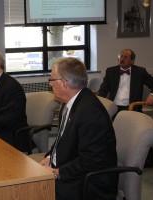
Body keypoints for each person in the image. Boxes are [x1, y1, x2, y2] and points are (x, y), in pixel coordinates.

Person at [40, 57, 118, 200]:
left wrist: (57, 172)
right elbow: (63, 140)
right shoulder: (70, 102)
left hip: (86, 183)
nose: (50, 84)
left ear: (64, 83)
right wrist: (50, 157)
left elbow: (91, 160)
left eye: (52, 80)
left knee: (30, 191)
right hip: (72, 170)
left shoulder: (90, 112)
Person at [98, 49, 153, 113]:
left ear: (132, 61)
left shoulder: (140, 72)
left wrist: (152, 95)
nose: (122, 59)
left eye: (125, 57)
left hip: (132, 107)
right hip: (113, 106)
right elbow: (103, 90)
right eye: (121, 56)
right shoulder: (111, 71)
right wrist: (98, 103)